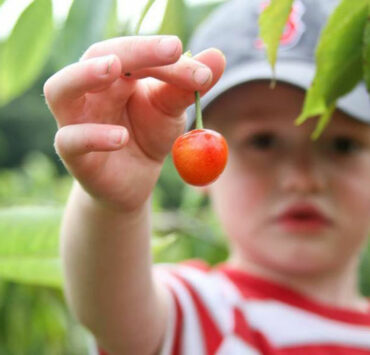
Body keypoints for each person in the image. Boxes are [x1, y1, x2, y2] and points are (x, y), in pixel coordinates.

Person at [43, 0, 370, 354]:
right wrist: (114, 208)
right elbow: (111, 311)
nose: (303, 179)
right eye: (262, 141)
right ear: (209, 178)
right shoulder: (202, 316)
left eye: (342, 145)